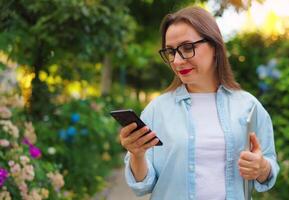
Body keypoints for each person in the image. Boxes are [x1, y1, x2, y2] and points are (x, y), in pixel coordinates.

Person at [118, 6, 279, 200]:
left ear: (214, 46)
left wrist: (262, 168)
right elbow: (143, 186)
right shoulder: (156, 111)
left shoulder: (249, 106)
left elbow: (268, 167)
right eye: (170, 52)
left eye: (187, 48)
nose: (177, 61)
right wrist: (137, 155)